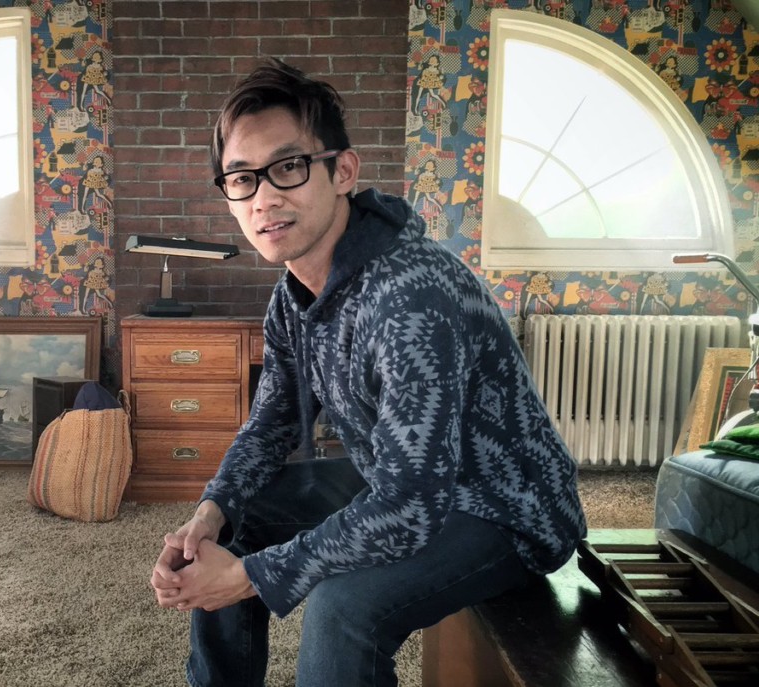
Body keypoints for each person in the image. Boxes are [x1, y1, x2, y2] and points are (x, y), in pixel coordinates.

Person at [149, 58, 587, 687]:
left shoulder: (411, 294)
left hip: (507, 507)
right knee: (236, 522)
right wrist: (209, 515)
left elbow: (411, 507)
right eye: (242, 178)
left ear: (343, 171)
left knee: (342, 606)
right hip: (403, 477)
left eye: (288, 167)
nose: (264, 197)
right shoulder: (293, 296)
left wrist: (249, 577)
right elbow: (270, 424)